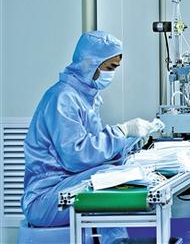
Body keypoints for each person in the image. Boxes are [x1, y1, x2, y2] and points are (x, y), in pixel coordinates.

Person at [22, 31, 155, 242]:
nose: (111, 74)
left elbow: (95, 151)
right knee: (107, 178)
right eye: (109, 67)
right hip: (45, 199)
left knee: (116, 173)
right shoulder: (62, 98)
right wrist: (121, 131)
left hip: (66, 187)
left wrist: (130, 143)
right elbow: (77, 157)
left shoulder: (85, 98)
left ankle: (117, 241)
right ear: (90, 63)